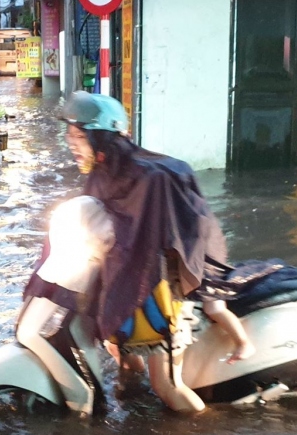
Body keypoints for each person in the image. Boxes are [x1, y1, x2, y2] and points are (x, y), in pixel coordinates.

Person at [61, 93, 254, 414]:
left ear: (103, 137)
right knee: (120, 354)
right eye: (69, 135)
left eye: (79, 136)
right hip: (124, 285)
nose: (71, 143)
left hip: (162, 294)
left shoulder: (153, 179)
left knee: (166, 386)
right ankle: (130, 404)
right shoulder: (101, 175)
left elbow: (179, 240)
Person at [16, 195, 115, 415]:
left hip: (78, 260)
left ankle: (81, 399)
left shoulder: (101, 190)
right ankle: (87, 400)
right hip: (79, 257)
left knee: (30, 332)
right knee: (74, 331)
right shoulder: (103, 189)